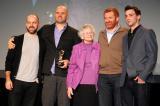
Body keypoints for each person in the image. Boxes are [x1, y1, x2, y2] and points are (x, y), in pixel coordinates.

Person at [7, 4, 81, 106]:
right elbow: (31, 35)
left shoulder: (74, 33)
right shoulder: (46, 29)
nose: (59, 15)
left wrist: (69, 61)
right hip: (48, 76)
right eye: (57, 13)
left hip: (65, 76)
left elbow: (80, 54)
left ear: (67, 15)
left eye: (62, 13)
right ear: (55, 14)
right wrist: (13, 39)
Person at [120, 5, 158, 106]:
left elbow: (152, 56)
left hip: (140, 79)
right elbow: (125, 57)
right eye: (126, 16)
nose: (128, 18)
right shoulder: (124, 37)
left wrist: (143, 76)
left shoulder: (147, 33)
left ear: (138, 16)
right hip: (125, 80)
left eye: (131, 15)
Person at [5, 14, 45, 106]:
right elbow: (8, 61)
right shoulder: (16, 40)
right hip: (16, 82)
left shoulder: (42, 42)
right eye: (29, 22)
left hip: (33, 84)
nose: (31, 25)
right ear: (26, 24)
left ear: (38, 24)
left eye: (34, 22)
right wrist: (7, 79)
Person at [98, 7, 128, 106]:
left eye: (110, 17)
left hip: (119, 75)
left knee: (120, 103)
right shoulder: (101, 34)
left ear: (117, 18)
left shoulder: (126, 32)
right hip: (102, 76)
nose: (107, 20)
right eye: (105, 18)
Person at [66, 24, 100, 106]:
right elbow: (71, 68)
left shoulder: (98, 47)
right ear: (82, 36)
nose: (89, 34)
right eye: (86, 33)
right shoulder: (76, 48)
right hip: (79, 85)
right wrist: (69, 86)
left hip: (94, 85)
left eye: (91, 32)